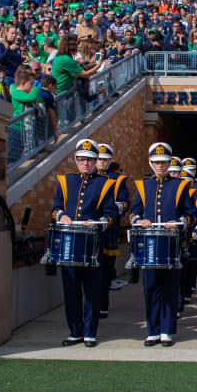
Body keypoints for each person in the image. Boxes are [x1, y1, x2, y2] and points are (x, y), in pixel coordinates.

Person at [51, 139, 118, 348]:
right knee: (70, 289)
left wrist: (97, 223)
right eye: (82, 159)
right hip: (69, 243)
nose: (86, 163)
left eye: (90, 160)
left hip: (92, 244)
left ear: (95, 160)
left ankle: (90, 332)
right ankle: (75, 331)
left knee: (91, 289)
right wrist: (61, 216)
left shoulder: (105, 183)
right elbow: (55, 207)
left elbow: (111, 214)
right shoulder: (65, 181)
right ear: (76, 160)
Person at [129, 142, 195, 347]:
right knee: (150, 287)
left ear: (169, 163)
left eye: (164, 162)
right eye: (157, 162)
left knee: (169, 286)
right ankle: (152, 330)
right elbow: (134, 211)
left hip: (171, 244)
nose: (160, 166)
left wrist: (179, 223)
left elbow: (190, 214)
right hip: (148, 244)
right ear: (150, 163)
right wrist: (138, 220)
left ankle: (166, 330)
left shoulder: (180, 185)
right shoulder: (142, 185)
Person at [95, 144, 130, 318]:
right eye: (99, 158)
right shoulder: (87, 177)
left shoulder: (117, 179)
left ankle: (102, 305)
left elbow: (125, 203)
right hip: (89, 228)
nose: (102, 162)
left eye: (105, 159)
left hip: (108, 227)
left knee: (106, 268)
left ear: (110, 160)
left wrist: (109, 209)